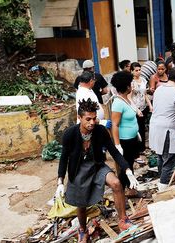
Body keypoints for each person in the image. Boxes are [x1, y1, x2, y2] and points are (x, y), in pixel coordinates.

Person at [56, 98, 139, 242]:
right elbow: (64, 159)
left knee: (117, 184)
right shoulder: (70, 134)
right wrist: (60, 181)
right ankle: (82, 230)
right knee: (80, 200)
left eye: (94, 118)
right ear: (79, 117)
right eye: (88, 119)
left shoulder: (100, 131)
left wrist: (127, 170)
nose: (92, 122)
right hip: (79, 169)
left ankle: (123, 220)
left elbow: (114, 152)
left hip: (97, 165)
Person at [111, 71, 142, 194]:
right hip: (125, 141)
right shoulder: (118, 103)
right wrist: (117, 144)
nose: (132, 86)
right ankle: (120, 192)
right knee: (125, 167)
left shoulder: (126, 99)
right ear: (127, 87)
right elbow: (115, 124)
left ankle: (131, 189)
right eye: (131, 84)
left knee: (130, 163)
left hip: (132, 138)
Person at [130, 62, 153, 158]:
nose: (138, 72)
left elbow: (145, 94)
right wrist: (135, 109)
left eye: (139, 70)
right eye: (136, 70)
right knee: (135, 128)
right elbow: (129, 97)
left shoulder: (143, 80)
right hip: (134, 108)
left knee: (142, 128)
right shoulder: (130, 82)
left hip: (143, 107)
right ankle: (136, 150)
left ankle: (142, 148)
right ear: (131, 71)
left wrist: (150, 105)